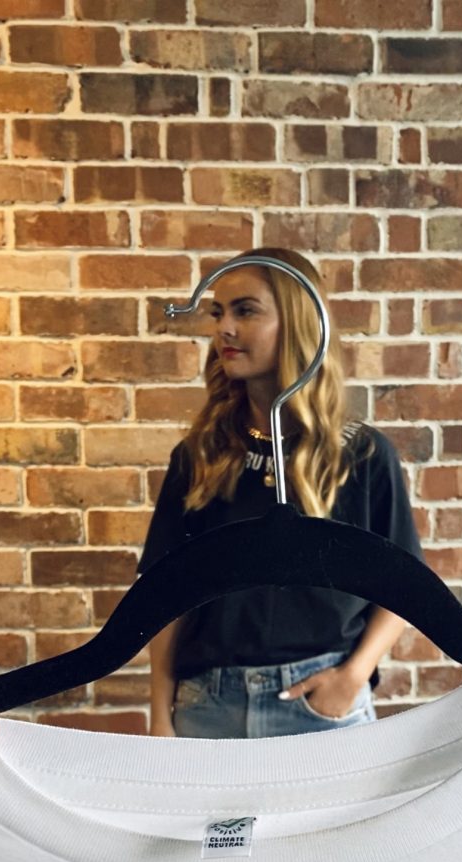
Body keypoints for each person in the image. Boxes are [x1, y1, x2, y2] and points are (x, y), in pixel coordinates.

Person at [139, 246, 424, 740]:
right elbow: (163, 597)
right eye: (218, 313)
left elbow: (405, 588)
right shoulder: (201, 455)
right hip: (208, 708)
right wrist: (160, 715)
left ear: (296, 323)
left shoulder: (361, 455)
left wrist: (352, 677)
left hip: (319, 708)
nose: (224, 328)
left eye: (245, 311)